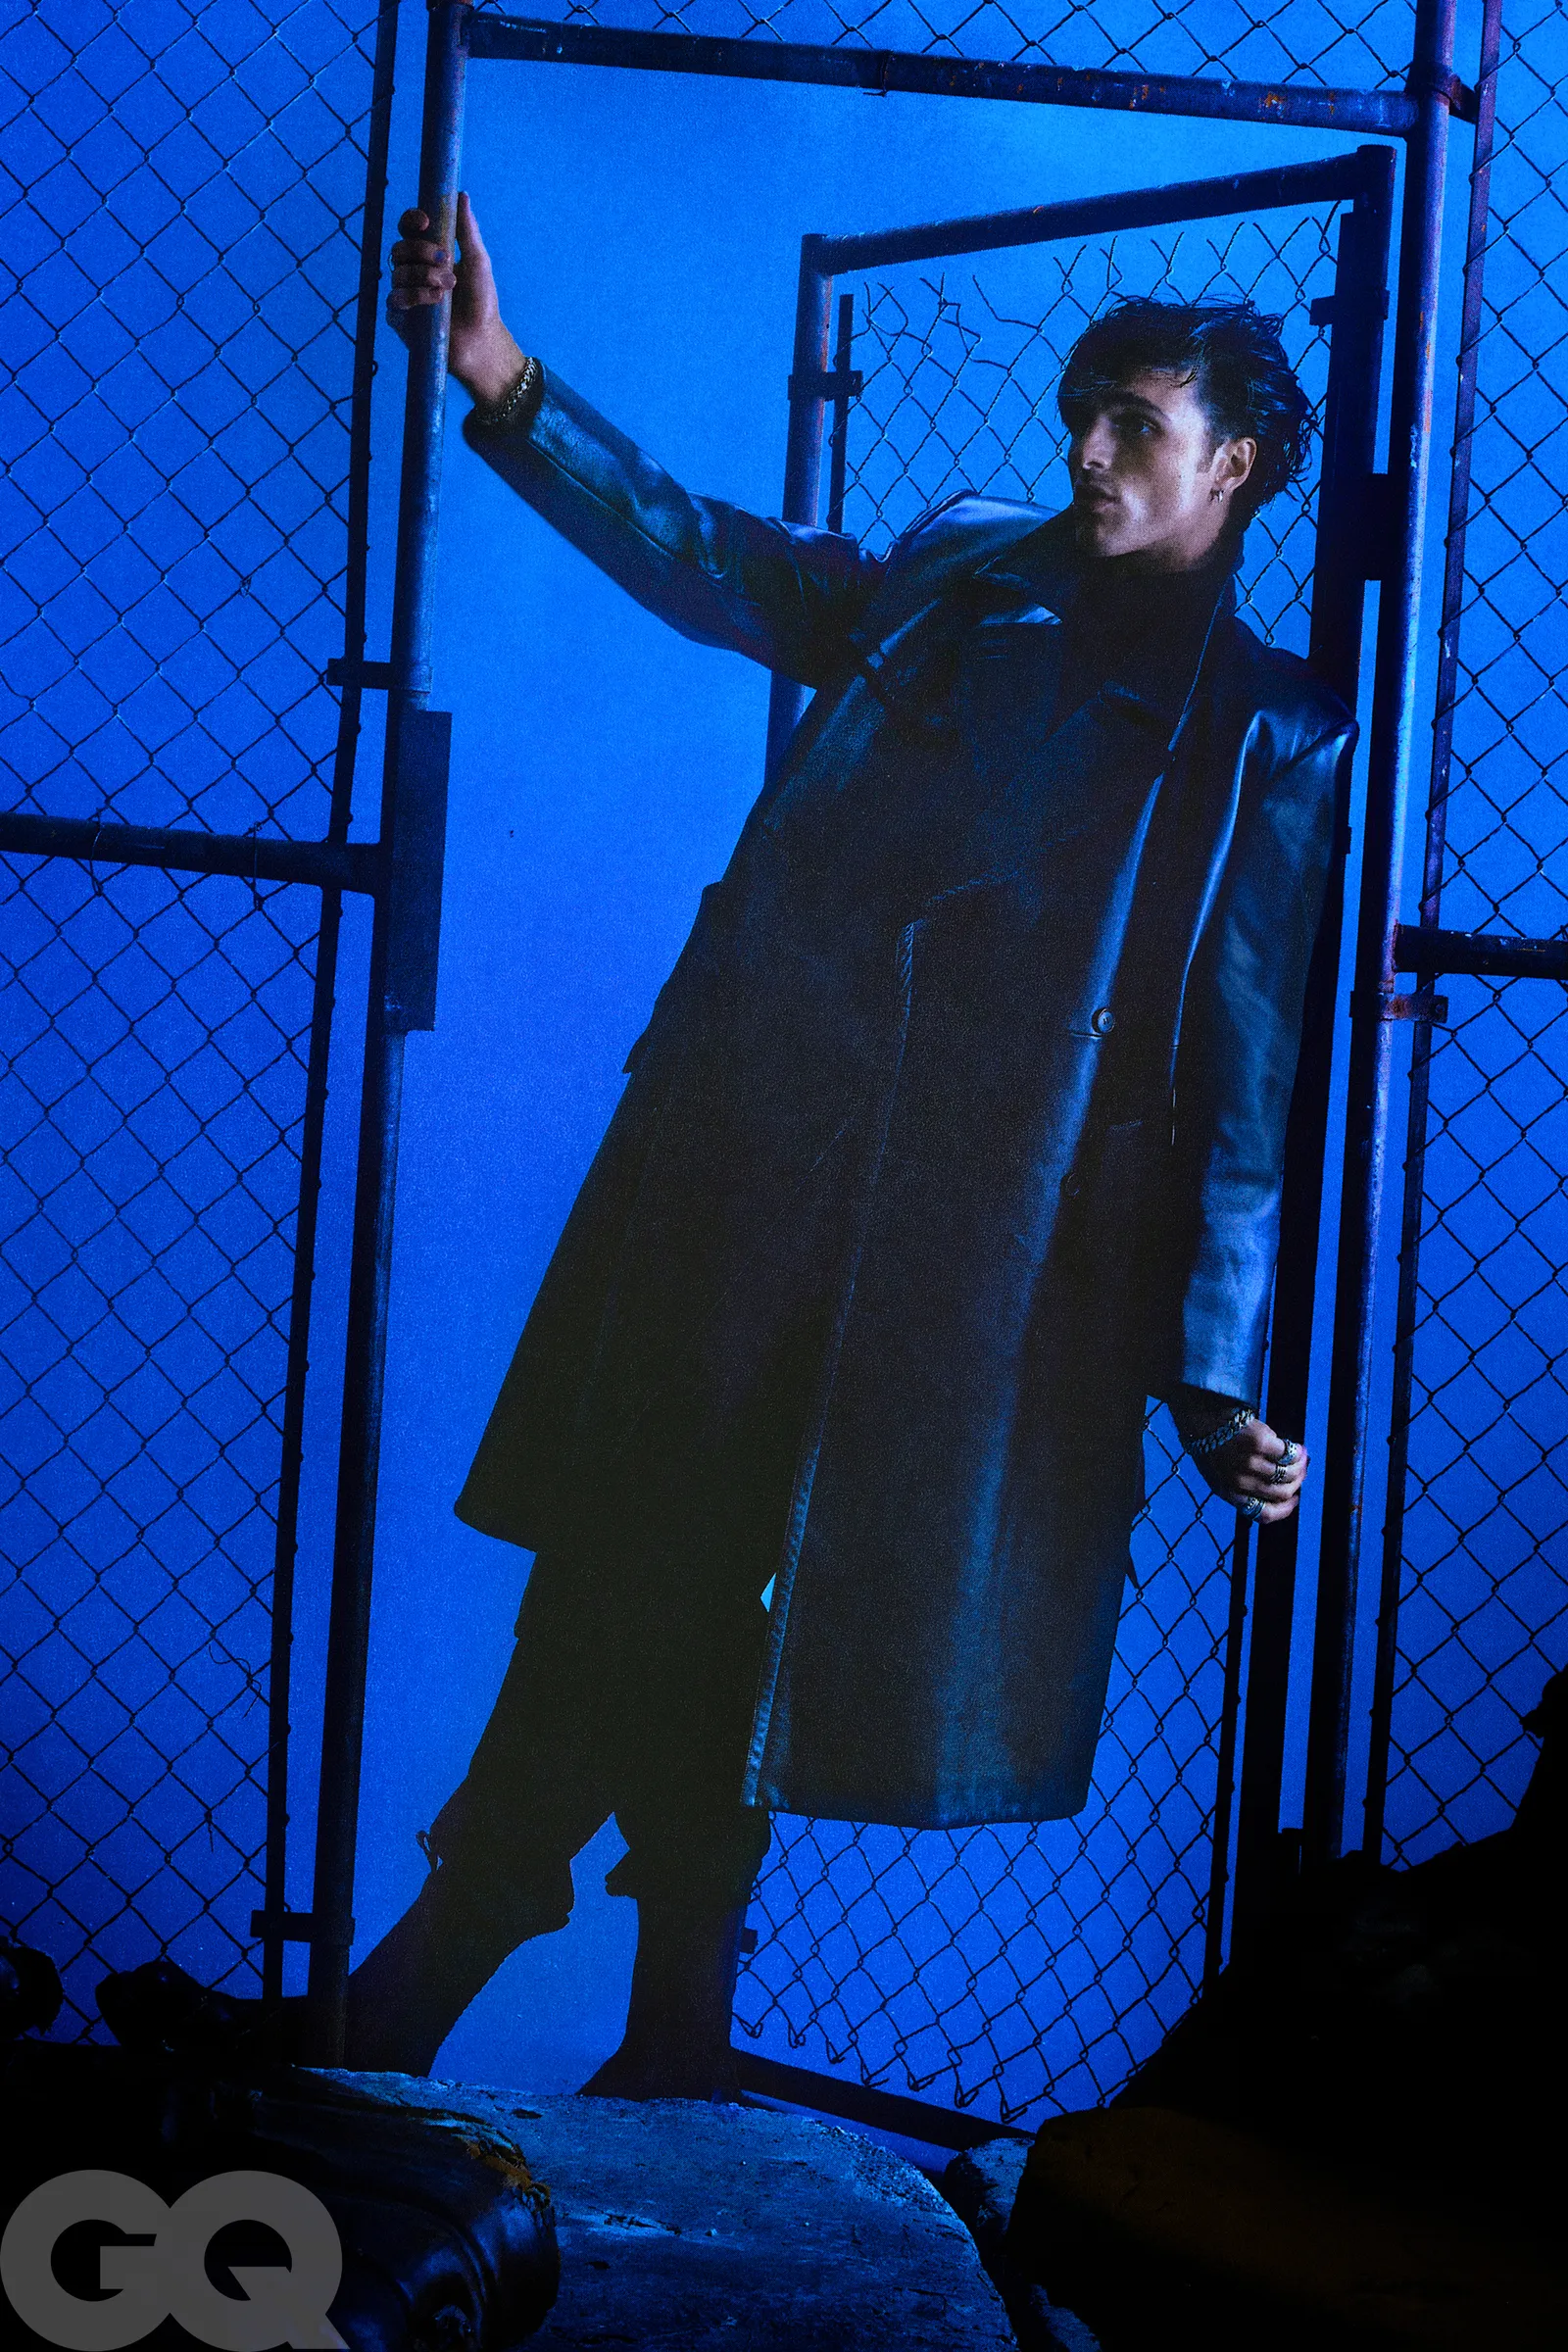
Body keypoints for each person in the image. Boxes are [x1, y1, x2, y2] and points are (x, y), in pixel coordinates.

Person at [345, 195, 1338, 2094]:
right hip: (754, 1162)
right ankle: (621, 2017)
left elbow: (1247, 1076)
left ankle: (545, 1993)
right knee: (635, 1547)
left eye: (1133, 422)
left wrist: (1211, 1376)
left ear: (1242, 459)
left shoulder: (1266, 732)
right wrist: (502, 380)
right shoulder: (964, 568)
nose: (1083, 452)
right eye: (1080, 413)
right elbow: (739, 570)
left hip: (976, 1259)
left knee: (742, 1585)